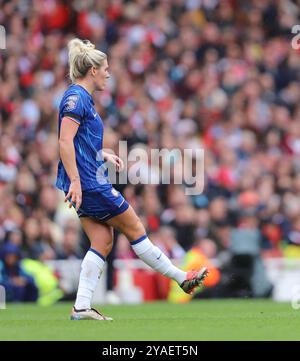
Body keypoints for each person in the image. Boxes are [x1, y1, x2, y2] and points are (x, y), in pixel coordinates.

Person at [56, 38, 208, 321]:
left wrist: (101, 154)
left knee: (101, 242)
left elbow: (77, 142)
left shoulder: (81, 98)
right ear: (92, 71)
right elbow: (64, 142)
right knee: (135, 228)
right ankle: (181, 278)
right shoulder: (76, 98)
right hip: (88, 183)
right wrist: (76, 181)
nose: (108, 74)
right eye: (105, 69)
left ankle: (81, 307)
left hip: (86, 178)